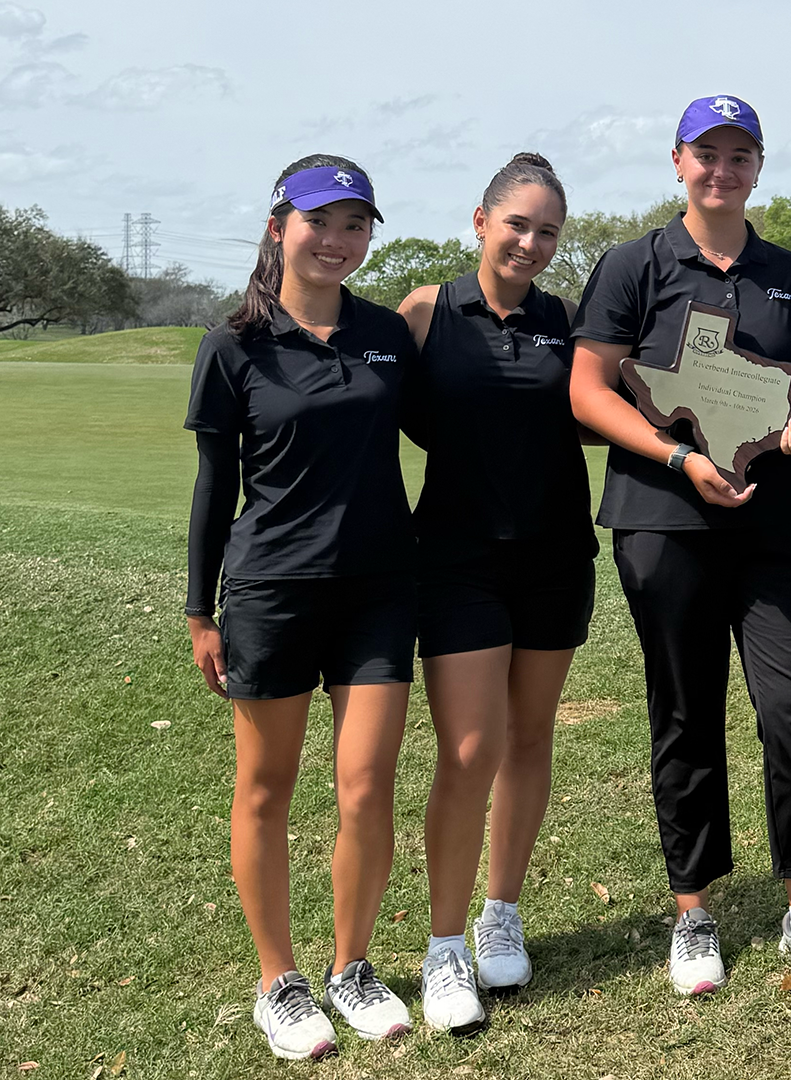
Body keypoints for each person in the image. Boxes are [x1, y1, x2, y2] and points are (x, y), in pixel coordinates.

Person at [568, 95, 791, 994]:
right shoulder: (633, 265)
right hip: (662, 518)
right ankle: (693, 913)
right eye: (708, 154)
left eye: (740, 156)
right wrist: (676, 455)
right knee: (685, 710)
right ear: (678, 162)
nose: (722, 170)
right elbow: (590, 391)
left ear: (758, 168)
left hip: (774, 520)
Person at [184, 155, 417, 1059]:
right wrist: (200, 611)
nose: (338, 238)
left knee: (365, 787)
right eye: (321, 219)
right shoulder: (232, 345)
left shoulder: (389, 335)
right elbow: (213, 488)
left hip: (378, 591)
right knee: (267, 787)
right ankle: (279, 980)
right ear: (280, 226)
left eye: (356, 223)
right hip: (271, 592)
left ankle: (351, 967)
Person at [394, 152, 594, 1032]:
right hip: (458, 556)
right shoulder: (426, 313)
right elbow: (371, 408)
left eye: (548, 230)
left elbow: (605, 410)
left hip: (555, 554)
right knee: (471, 748)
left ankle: (500, 911)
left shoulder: (566, 320)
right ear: (480, 222)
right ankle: (443, 950)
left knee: (529, 737)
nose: (532, 242)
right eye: (517, 223)